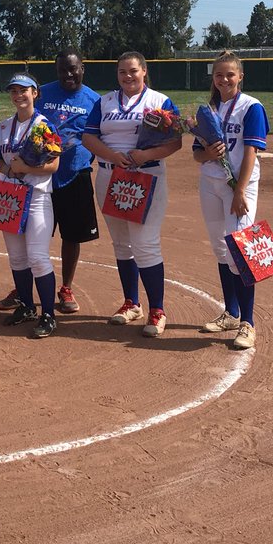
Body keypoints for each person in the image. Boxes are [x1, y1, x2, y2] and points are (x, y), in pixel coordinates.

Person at [82, 51, 183, 337]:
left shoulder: (159, 101)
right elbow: (88, 137)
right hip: (110, 175)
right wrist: (113, 156)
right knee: (122, 243)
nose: (128, 76)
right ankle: (131, 303)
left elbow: (175, 142)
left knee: (145, 242)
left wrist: (144, 155)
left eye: (133, 70)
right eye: (122, 72)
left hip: (147, 175)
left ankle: (157, 309)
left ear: (144, 72)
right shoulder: (105, 102)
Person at [0, 49, 100, 314]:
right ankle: (23, 290)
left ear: (82, 68)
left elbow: (99, 136)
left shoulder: (94, 100)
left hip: (74, 174)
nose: (68, 74)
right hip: (33, 177)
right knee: (28, 233)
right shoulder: (43, 93)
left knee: (71, 234)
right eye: (62, 69)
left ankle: (66, 287)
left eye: (73, 69)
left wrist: (85, 158)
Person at [193, 50, 270, 350]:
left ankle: (248, 324)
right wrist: (207, 154)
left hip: (239, 187)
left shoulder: (251, 107)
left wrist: (239, 191)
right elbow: (197, 155)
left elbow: (251, 150)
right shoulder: (208, 109)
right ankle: (231, 312)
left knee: (240, 252)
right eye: (218, 75)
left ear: (240, 77)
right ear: (213, 78)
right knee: (220, 249)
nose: (224, 79)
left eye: (230, 74)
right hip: (210, 184)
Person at [0, 73, 62, 339]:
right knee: (17, 258)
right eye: (14, 91)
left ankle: (48, 314)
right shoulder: (3, 127)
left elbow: (54, 164)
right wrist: (8, 169)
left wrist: (26, 168)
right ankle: (27, 306)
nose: (18, 96)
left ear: (35, 93)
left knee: (38, 257)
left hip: (37, 197)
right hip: (10, 197)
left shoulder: (44, 125)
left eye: (23, 91)